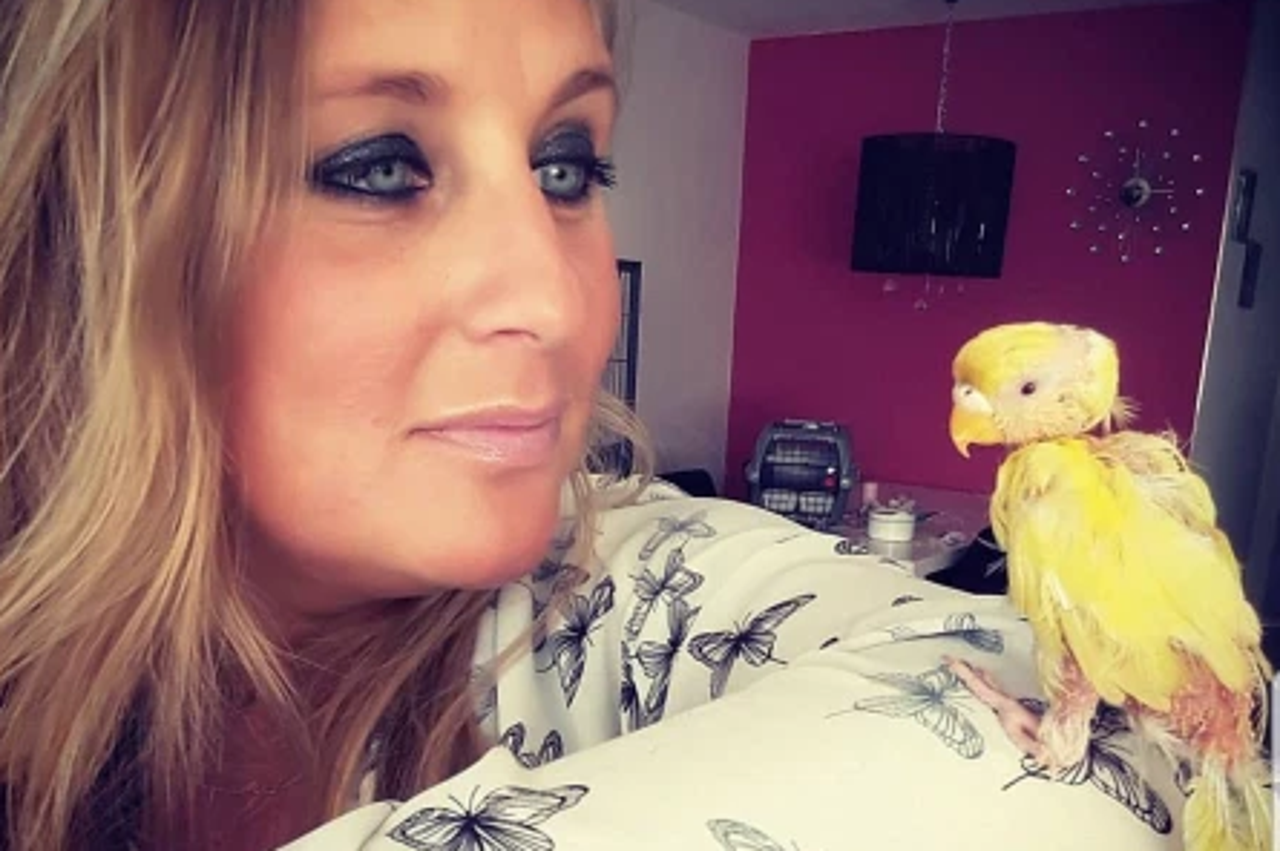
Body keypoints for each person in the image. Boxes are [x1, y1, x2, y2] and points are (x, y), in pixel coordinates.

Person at [0, 1, 1192, 849]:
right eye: (377, 167)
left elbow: (1158, 742)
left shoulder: (612, 586)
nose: (562, 297)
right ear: (81, 245)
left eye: (564, 165)